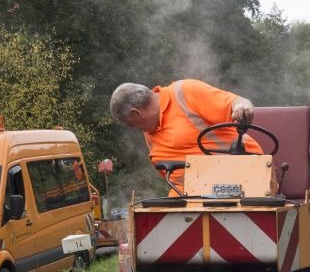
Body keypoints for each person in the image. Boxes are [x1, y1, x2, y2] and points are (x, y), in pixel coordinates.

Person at [110, 79, 261, 189]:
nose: (134, 128)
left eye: (131, 124)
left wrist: (242, 107)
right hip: (192, 194)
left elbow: (236, 102)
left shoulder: (185, 92)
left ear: (136, 113)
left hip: (242, 179)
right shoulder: (149, 131)